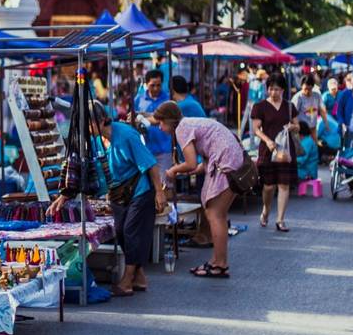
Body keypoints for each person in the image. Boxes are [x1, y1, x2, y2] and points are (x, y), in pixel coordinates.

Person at [48, 105, 165, 296]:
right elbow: (86, 171)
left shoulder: (127, 136)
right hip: (118, 193)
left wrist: (159, 193)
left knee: (131, 232)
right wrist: (65, 195)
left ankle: (127, 281)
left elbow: (150, 165)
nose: (85, 128)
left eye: (88, 123)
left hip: (140, 191)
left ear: (102, 121)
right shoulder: (95, 141)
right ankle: (140, 276)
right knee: (120, 232)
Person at [155, 102, 244, 279]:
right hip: (230, 157)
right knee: (215, 213)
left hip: (226, 160)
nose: (159, 127)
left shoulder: (181, 128)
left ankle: (220, 264)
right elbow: (202, 158)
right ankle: (216, 261)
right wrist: (191, 170)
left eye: (161, 122)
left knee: (214, 214)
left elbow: (190, 163)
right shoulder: (188, 123)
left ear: (169, 120)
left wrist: (173, 170)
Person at [251, 73, 299, 232]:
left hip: (285, 149)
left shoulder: (290, 106)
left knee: (284, 185)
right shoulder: (260, 107)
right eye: (271, 89)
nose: (273, 93)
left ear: (283, 90)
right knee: (269, 186)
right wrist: (268, 140)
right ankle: (266, 210)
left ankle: (280, 220)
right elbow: (256, 129)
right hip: (268, 149)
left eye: (277, 90)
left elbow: (297, 126)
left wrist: (292, 127)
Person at [133, 69, 173, 183]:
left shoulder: (168, 99)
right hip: (145, 148)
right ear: (146, 84)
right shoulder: (139, 99)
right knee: (148, 184)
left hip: (165, 149)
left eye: (158, 85)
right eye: (152, 85)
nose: (156, 88)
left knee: (165, 184)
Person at [292, 75, 329, 144]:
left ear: (312, 87)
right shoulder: (298, 97)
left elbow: (321, 110)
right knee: (304, 147)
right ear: (301, 87)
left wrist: (326, 123)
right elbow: (293, 114)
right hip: (302, 130)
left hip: (313, 127)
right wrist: (297, 126)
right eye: (305, 89)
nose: (307, 91)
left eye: (309, 89)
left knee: (314, 144)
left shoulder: (317, 95)